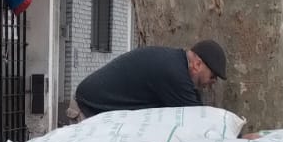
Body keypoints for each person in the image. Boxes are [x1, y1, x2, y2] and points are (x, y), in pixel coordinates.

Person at [73, 40, 228, 119]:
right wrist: (237, 138)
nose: (212, 82)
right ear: (197, 64)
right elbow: (197, 120)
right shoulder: (174, 73)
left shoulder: (176, 64)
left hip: (100, 110)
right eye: (212, 76)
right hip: (87, 109)